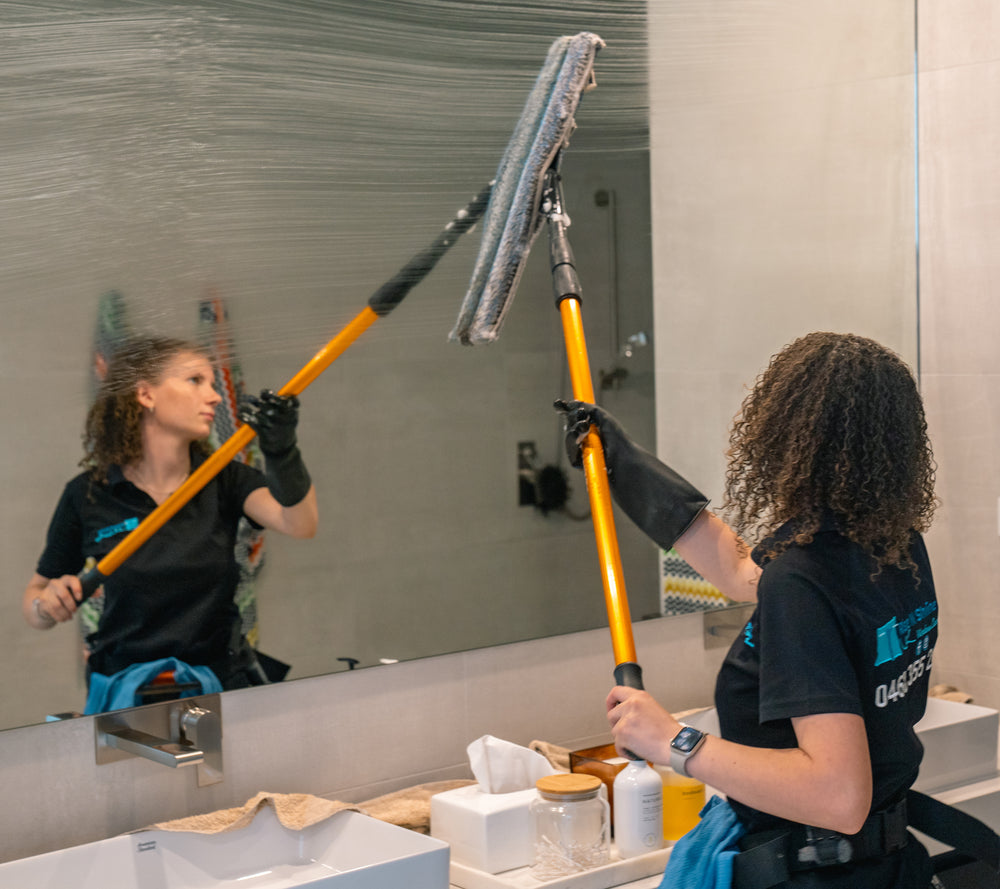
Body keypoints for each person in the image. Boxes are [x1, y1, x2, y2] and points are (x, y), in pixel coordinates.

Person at [557, 332, 939, 888]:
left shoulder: (804, 578)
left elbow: (838, 796)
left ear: (783, 435)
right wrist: (622, 461)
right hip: (885, 867)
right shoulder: (890, 546)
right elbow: (740, 572)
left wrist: (673, 742)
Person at [22, 335, 319, 696]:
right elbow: (36, 599)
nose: (214, 396)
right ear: (146, 395)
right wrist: (45, 605)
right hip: (126, 689)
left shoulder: (224, 477)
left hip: (220, 682)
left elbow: (300, 523)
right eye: (195, 380)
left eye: (212, 383)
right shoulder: (87, 494)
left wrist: (282, 450)